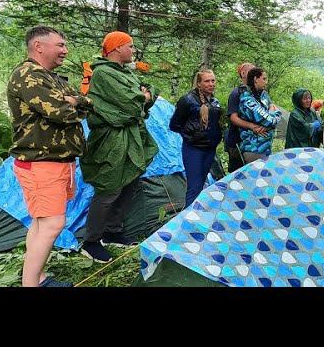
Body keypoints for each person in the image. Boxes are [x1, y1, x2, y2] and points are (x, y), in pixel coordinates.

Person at [7, 25, 93, 287]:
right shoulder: (28, 75)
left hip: (55, 162)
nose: (65, 51)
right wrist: (72, 103)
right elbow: (61, 112)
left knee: (42, 223)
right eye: (60, 45)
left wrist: (75, 100)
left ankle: (36, 277)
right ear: (39, 46)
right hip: (40, 162)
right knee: (53, 224)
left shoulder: (50, 77)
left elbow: (84, 102)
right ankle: (31, 284)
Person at [79, 31, 159, 263]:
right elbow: (132, 103)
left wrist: (144, 96)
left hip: (131, 137)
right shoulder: (104, 73)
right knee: (109, 188)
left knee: (128, 183)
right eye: (130, 46)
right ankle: (91, 241)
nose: (133, 51)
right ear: (116, 48)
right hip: (111, 140)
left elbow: (144, 96)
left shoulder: (124, 72)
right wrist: (143, 97)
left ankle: (112, 232)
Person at [170, 69, 223, 208]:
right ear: (199, 83)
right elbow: (174, 125)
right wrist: (191, 135)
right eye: (207, 81)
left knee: (201, 185)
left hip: (210, 149)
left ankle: (197, 213)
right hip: (194, 149)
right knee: (194, 187)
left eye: (213, 81)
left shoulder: (214, 101)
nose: (211, 84)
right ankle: (188, 217)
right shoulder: (187, 100)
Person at [224, 63, 267, 172]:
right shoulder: (236, 93)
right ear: (243, 73)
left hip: (257, 143)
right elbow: (233, 118)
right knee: (239, 174)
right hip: (237, 141)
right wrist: (252, 126)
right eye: (252, 72)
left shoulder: (260, 93)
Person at [238, 68, 282, 163]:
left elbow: (271, 118)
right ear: (255, 79)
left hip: (266, 148)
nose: (266, 82)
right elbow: (270, 120)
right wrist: (276, 113)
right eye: (264, 79)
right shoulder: (247, 100)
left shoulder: (264, 95)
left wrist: (269, 124)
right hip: (254, 148)